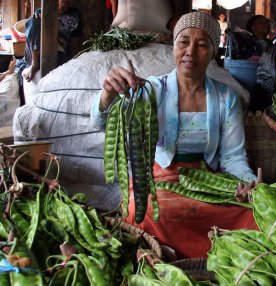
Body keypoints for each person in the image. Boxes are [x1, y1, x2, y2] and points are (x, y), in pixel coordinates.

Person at [90, 12, 261, 259]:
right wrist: (108, 94)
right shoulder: (150, 90)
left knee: (251, 213)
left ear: (213, 52)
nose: (191, 51)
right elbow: (100, 122)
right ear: (173, 46)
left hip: (206, 182)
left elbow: (233, 156)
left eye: (202, 44)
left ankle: (215, 259)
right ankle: (174, 255)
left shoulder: (226, 98)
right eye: (183, 42)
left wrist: (247, 183)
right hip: (157, 181)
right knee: (146, 209)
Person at [15, 0, 81, 83]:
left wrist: (76, 60)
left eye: (67, 2)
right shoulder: (40, 13)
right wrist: (57, 12)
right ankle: (34, 65)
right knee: (33, 22)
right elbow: (34, 34)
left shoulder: (74, 15)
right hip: (36, 52)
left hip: (58, 53)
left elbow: (75, 40)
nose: (66, 4)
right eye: (63, 1)